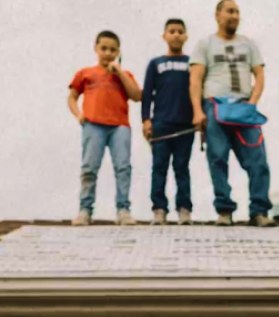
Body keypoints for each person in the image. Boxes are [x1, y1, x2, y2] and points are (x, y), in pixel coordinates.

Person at [190, 0, 275, 227]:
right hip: (215, 105)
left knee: (258, 161)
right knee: (217, 158)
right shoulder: (204, 44)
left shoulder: (248, 44)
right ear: (217, 15)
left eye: (237, 12)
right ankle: (224, 210)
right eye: (229, 11)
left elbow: (259, 75)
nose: (234, 16)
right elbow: (195, 79)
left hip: (243, 106)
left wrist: (253, 102)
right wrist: (198, 111)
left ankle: (259, 211)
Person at [68, 31, 143, 227]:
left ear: (118, 52)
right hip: (93, 124)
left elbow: (137, 95)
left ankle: (123, 210)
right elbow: (72, 97)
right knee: (89, 168)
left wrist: (119, 73)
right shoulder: (85, 73)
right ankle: (85, 210)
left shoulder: (124, 74)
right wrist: (78, 114)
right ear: (96, 49)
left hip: (119, 126)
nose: (108, 53)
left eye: (112, 49)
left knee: (123, 167)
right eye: (104, 48)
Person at [142, 19, 197, 226]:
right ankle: (159, 209)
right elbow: (147, 94)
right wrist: (146, 120)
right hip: (161, 125)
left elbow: (198, 92)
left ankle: (184, 209)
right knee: (159, 167)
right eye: (172, 31)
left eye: (180, 31)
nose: (176, 35)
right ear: (164, 36)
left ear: (186, 36)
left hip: (186, 125)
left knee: (182, 167)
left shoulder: (193, 63)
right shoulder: (155, 63)